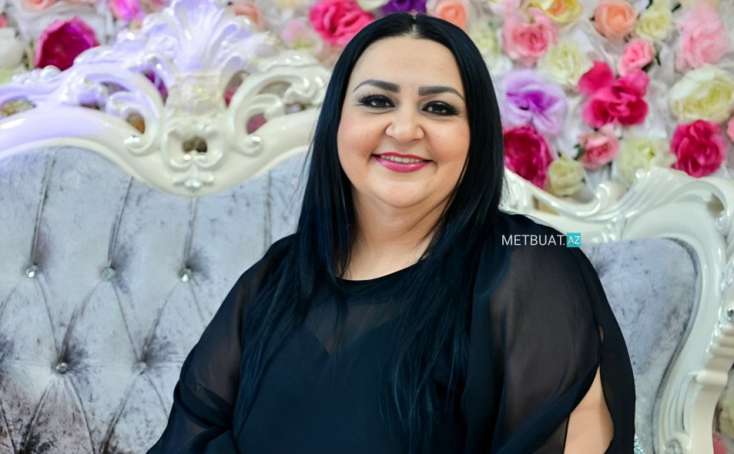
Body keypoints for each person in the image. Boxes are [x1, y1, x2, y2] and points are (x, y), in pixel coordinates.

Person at [148, 12, 635, 454]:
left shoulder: (529, 266)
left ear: (477, 134)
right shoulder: (275, 277)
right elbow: (189, 438)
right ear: (337, 122)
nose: (404, 129)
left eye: (439, 108)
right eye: (377, 101)